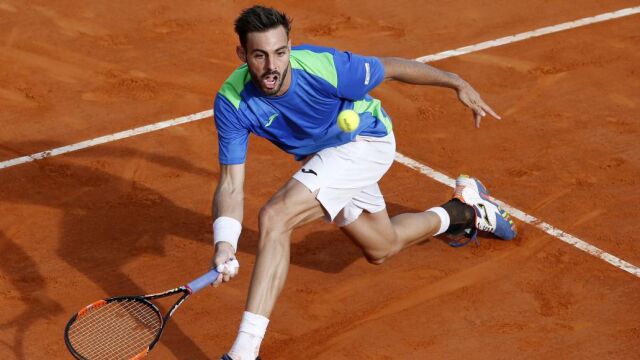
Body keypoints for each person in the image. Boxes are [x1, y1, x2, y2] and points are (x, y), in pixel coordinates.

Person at [210, 5, 517, 359]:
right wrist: (225, 242)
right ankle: (464, 211)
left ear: (290, 48)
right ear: (242, 55)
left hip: (365, 143)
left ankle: (244, 351)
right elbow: (231, 185)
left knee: (276, 216)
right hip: (324, 158)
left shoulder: (329, 68)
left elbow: (393, 68)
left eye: (280, 53)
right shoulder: (232, 100)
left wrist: (456, 81)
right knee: (381, 247)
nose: (271, 66)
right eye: (260, 56)